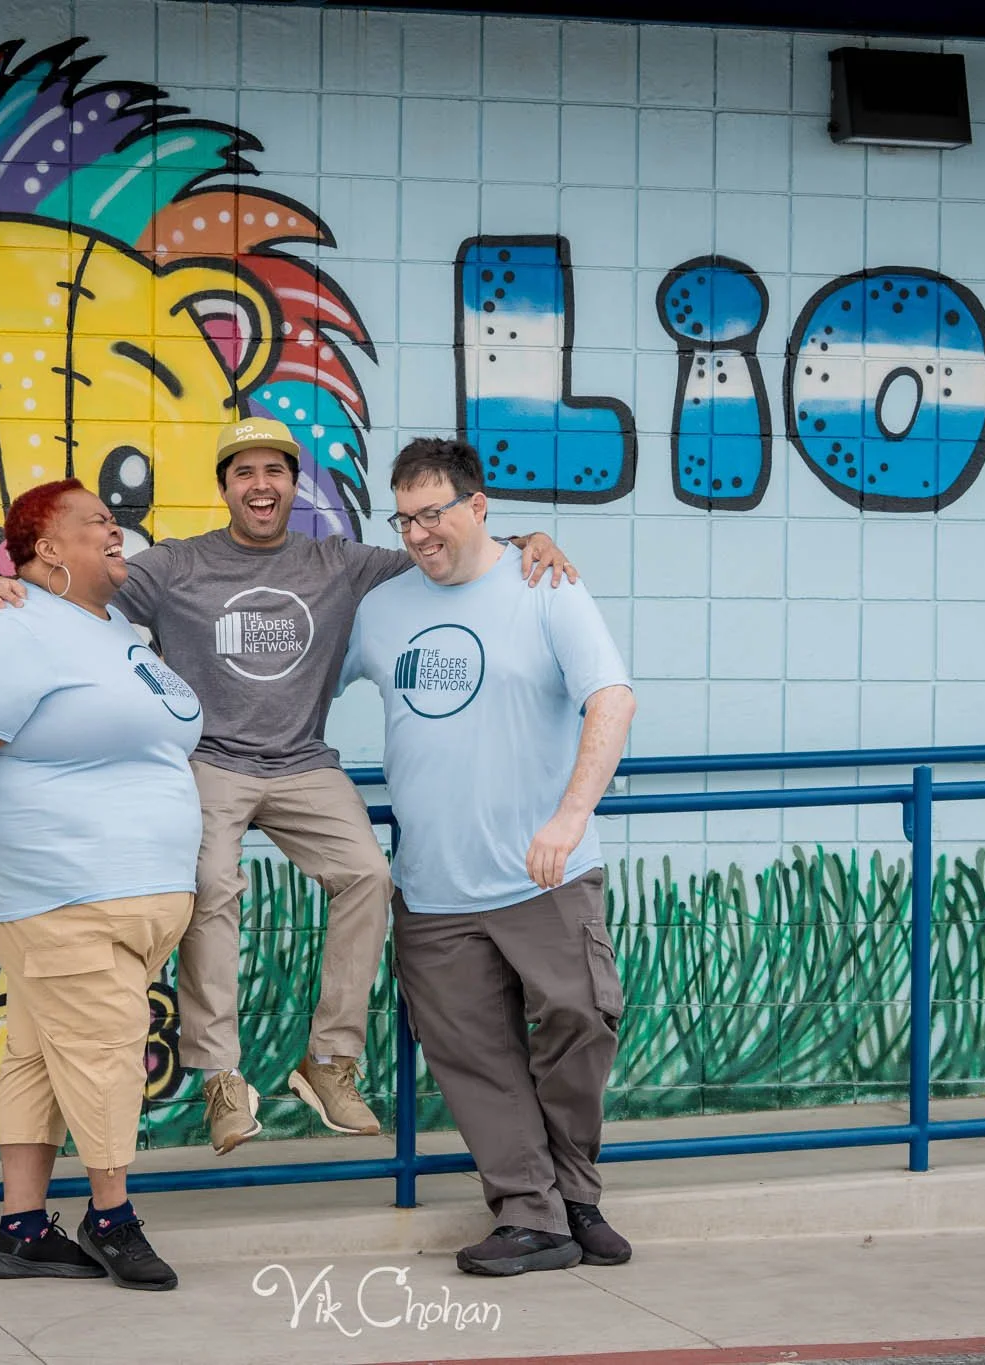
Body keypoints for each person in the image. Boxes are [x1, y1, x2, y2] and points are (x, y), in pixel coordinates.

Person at [0, 416, 577, 1155]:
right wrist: (12, 582)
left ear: (294, 485)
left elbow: (445, 546)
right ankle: (221, 1074)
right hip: (214, 760)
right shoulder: (176, 565)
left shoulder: (339, 562)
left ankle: (329, 1061)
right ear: (225, 488)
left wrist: (525, 544)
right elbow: (82, 593)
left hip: (302, 761)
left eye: (275, 472)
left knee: (367, 874)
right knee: (211, 884)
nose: (260, 485)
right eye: (243, 473)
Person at [338, 436, 638, 1278]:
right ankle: (532, 1215)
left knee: (581, 1021)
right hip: (434, 890)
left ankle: (575, 1193)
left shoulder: (546, 584)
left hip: (545, 874)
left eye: (433, 513)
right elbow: (290, 678)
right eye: (403, 518)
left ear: (478, 506)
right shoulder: (381, 607)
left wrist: (570, 817)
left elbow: (611, 699)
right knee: (475, 1058)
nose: (418, 533)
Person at [0, 478, 203, 1292]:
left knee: (40, 1055)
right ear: (47, 548)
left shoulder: (114, 628)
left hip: (133, 897)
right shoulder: (12, 630)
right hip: (61, 893)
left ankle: (21, 1229)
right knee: (109, 1051)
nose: (119, 532)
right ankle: (111, 1218)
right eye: (99, 523)